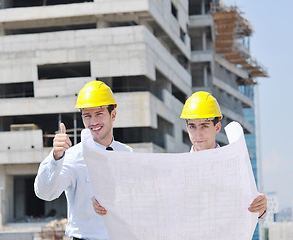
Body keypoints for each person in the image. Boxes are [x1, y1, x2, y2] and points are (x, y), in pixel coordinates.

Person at [93, 91, 267, 220]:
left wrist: (262, 208)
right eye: (192, 126)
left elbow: (248, 207)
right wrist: (107, 203)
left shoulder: (233, 166)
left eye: (204, 126)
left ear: (217, 127)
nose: (197, 134)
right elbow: (149, 207)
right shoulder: (176, 170)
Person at [34, 80, 132, 240]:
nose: (93, 122)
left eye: (99, 114)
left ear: (112, 114)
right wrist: (55, 157)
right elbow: (45, 193)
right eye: (87, 116)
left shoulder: (127, 153)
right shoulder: (72, 156)